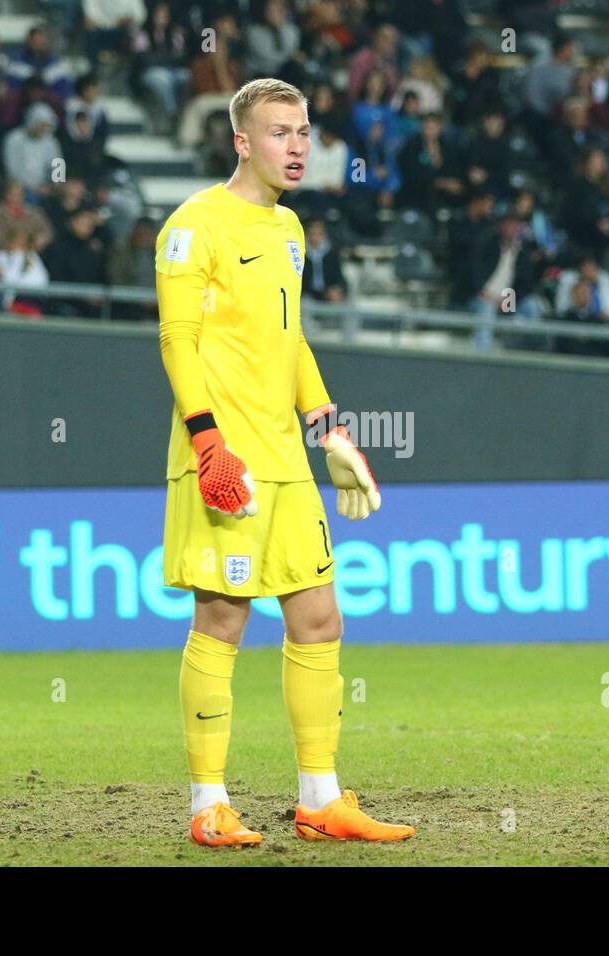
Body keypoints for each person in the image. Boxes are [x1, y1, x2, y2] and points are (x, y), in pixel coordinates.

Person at [153, 77, 413, 848]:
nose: (296, 146)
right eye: (278, 132)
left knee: (319, 616)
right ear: (241, 140)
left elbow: (289, 336)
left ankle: (320, 799)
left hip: (284, 459)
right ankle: (208, 805)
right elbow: (178, 340)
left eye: (303, 131)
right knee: (223, 618)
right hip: (223, 454)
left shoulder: (292, 228)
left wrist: (326, 427)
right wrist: (206, 443)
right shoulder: (193, 224)